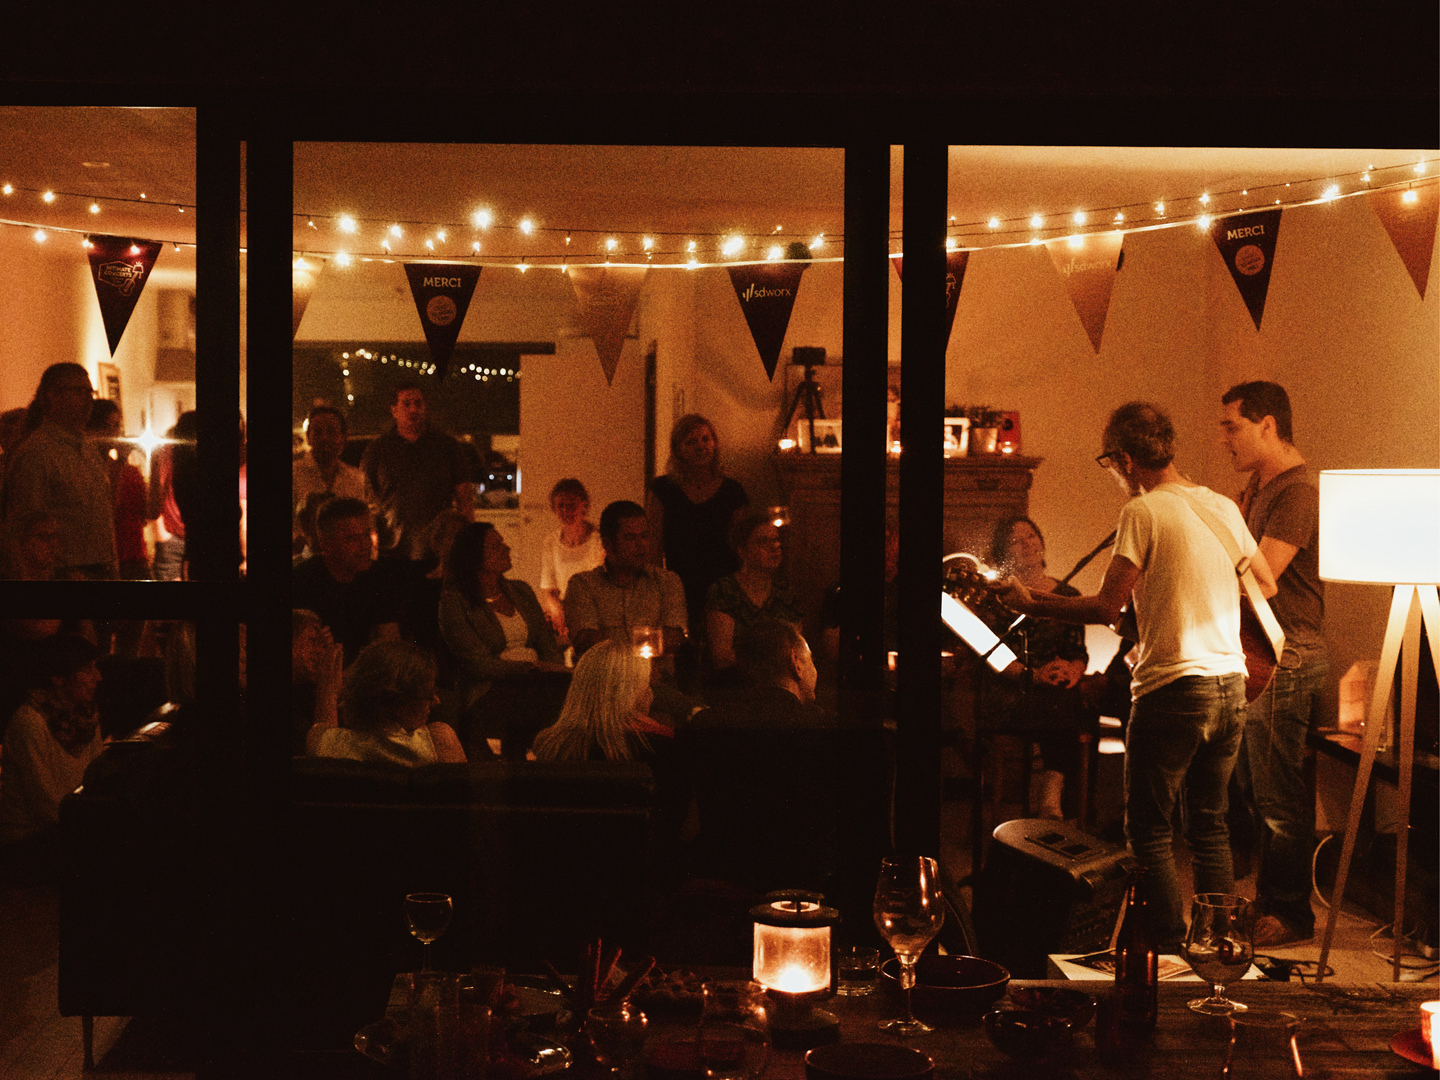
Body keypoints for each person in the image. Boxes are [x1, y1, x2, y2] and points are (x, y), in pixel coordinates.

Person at [990, 401, 1277, 951]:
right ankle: (1216, 947)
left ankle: (1167, 949)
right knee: (1209, 823)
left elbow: (1106, 607)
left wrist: (1032, 602)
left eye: (1110, 463)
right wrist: (1194, 601)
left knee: (1148, 829)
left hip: (1173, 689)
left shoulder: (1142, 511)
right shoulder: (1220, 505)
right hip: (1228, 684)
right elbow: (1265, 583)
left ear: (1124, 458)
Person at [1220, 380, 1326, 948]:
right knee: (1253, 786)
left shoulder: (1298, 492)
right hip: (1259, 649)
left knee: (1277, 794)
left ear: (1268, 425)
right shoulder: (1260, 488)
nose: (1226, 439)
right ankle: (1266, 901)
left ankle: (1290, 913)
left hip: (1289, 652)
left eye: (1233, 426)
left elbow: (1262, 578)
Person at [976, 515, 1096, 821]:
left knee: (1066, 696)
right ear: (1004, 553)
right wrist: (1035, 675)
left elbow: (1077, 651)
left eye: (1031, 536)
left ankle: (1058, 797)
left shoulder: (1068, 595)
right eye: (1015, 541)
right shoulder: (996, 598)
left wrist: (1071, 671)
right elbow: (995, 655)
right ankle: (1053, 798)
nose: (1026, 544)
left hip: (1056, 686)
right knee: (1057, 700)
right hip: (1013, 687)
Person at [438, 521, 568, 757]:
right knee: (528, 704)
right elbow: (478, 663)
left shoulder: (521, 591)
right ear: (474, 557)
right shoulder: (455, 602)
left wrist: (552, 670)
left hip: (537, 680)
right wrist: (528, 668)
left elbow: (546, 643)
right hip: (490, 687)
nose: (506, 548)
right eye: (496, 546)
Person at [0, 633, 107, 880]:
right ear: (58, 678)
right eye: (87, 670)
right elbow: (46, 806)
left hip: (68, 824)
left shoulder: (86, 717)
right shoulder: (30, 722)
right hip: (27, 840)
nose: (98, 677)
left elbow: (97, 775)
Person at [0, 363, 117, 578]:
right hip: (64, 576)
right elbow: (25, 526)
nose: (88, 400)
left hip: (100, 572)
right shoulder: (36, 453)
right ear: (52, 396)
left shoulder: (89, 449)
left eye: (90, 392)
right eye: (79, 392)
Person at [646, 413, 749, 635]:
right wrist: (657, 588)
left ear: (715, 443)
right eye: (691, 442)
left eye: (705, 439)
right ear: (678, 449)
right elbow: (653, 544)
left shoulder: (733, 491)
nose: (701, 446)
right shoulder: (663, 490)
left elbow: (743, 545)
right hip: (678, 585)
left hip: (724, 586)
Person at [361, 381, 475, 576]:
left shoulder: (447, 446)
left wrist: (469, 541)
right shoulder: (378, 449)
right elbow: (365, 497)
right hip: (392, 550)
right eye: (406, 404)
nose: (413, 409)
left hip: (438, 551)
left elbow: (464, 498)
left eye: (418, 403)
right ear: (394, 410)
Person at [565, 500, 689, 661]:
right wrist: (650, 643)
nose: (641, 545)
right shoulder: (583, 585)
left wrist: (613, 643)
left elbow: (674, 639)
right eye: (630, 538)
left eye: (644, 536)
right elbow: (588, 642)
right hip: (605, 675)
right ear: (608, 544)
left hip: (657, 674)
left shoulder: (667, 582)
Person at [307, 639, 465, 764]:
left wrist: (328, 689)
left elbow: (324, 734)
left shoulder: (326, 744)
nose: (436, 701)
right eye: (429, 695)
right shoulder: (438, 743)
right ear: (397, 702)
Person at [292, 496, 405, 664]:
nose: (365, 545)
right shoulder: (302, 581)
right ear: (326, 543)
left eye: (366, 534)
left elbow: (390, 644)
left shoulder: (379, 577)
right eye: (352, 539)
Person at [529, 640, 668, 763]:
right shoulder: (660, 743)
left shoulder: (548, 744)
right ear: (634, 692)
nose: (650, 693)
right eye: (647, 684)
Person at [704, 509, 802, 683]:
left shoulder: (785, 592)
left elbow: (797, 648)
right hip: (734, 684)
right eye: (763, 541)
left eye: (776, 540)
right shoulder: (724, 590)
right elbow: (722, 657)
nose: (774, 547)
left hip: (779, 684)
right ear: (742, 551)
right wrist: (774, 661)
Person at [86, 399, 150, 580]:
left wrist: (154, 462)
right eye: (108, 426)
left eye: (117, 426)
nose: (114, 433)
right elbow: (107, 512)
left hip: (136, 555)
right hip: (106, 557)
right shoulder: (87, 468)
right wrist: (121, 462)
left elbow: (149, 514)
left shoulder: (130, 471)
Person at [292, 405, 366, 557]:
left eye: (331, 431)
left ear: (343, 437)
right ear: (308, 437)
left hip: (345, 559)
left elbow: (361, 524)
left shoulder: (355, 478)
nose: (324, 438)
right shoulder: (294, 474)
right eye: (318, 432)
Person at [538, 477, 605, 643]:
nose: (566, 510)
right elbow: (548, 587)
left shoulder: (599, 541)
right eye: (561, 505)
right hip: (563, 612)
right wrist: (557, 611)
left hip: (594, 611)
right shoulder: (551, 542)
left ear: (584, 506)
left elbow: (601, 586)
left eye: (571, 505)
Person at [147, 411, 198, 581]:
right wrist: (161, 534)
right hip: (174, 536)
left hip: (177, 535)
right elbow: (155, 499)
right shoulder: (167, 452)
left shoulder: (168, 452)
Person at [293, 609, 343, 757]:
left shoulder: (306, 694)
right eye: (312, 640)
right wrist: (328, 685)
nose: (321, 651)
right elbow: (324, 756)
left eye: (324, 645)